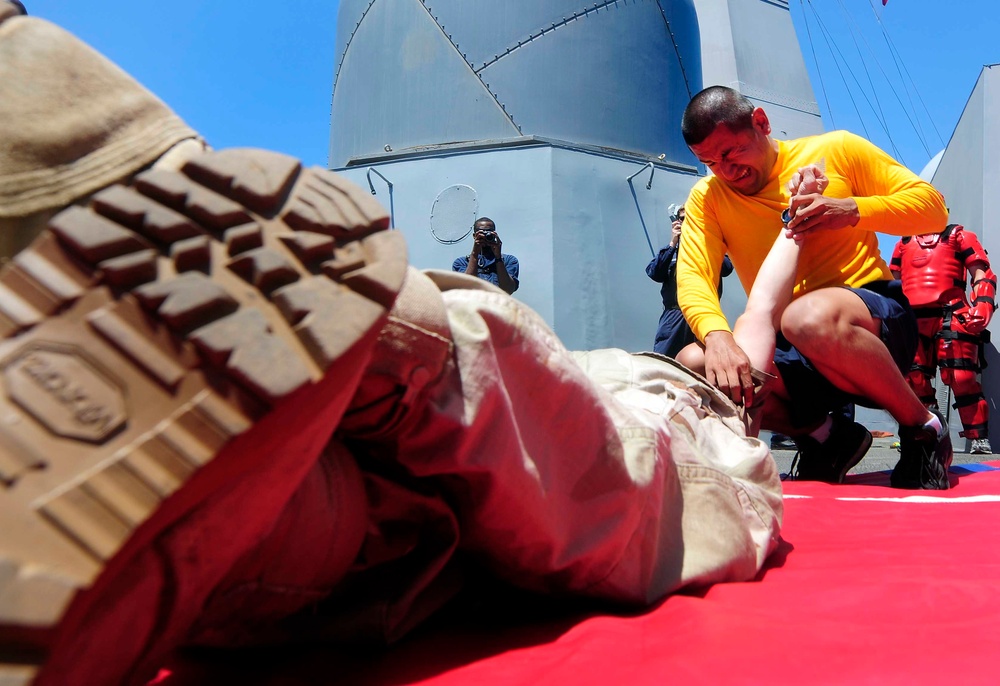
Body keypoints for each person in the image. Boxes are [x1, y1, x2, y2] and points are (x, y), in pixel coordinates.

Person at [0, 9, 781, 684]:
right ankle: (389, 340)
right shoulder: (708, 393)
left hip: (502, 444)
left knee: (377, 516)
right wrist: (730, 339)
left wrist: (729, 325)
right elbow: (754, 314)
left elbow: (742, 311)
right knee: (641, 498)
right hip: (642, 406)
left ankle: (63, 133)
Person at [673, 85, 953, 489]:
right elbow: (694, 274)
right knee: (696, 364)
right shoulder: (708, 197)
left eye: (731, 152)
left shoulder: (838, 149)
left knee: (804, 317)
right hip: (793, 344)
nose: (725, 170)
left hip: (871, 323)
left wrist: (854, 209)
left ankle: (923, 427)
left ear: (761, 123)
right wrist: (716, 336)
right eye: (710, 162)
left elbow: (933, 210)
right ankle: (827, 438)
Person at [890, 223, 996, 454]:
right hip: (912, 316)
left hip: (951, 311)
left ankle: (978, 438)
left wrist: (983, 303)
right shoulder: (904, 243)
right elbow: (893, 282)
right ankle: (927, 431)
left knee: (961, 376)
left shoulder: (961, 236)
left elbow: (982, 272)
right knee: (913, 378)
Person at [646, 203, 733, 357]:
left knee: (706, 360)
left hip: (705, 314)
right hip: (675, 315)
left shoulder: (708, 247)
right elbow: (654, 273)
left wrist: (707, 239)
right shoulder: (671, 251)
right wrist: (673, 242)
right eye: (683, 219)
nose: (687, 223)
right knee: (665, 360)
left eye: (691, 219)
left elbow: (727, 268)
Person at [451, 217, 519, 294]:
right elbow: (466, 288)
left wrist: (498, 258)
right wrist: (475, 253)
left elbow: (507, 290)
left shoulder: (509, 260)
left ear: (495, 234)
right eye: (481, 233)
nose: (485, 236)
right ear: (474, 236)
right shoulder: (461, 262)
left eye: (489, 232)